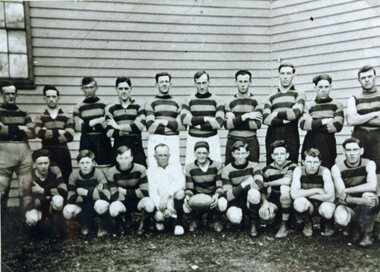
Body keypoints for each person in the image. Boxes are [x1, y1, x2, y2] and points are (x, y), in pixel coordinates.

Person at [331, 137, 379, 247]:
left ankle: (368, 234)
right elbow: (342, 196)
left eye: (355, 150)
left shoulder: (369, 164)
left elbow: (372, 185)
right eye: (348, 150)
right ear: (344, 152)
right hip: (349, 203)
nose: (352, 153)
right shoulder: (337, 168)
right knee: (341, 218)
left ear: (361, 151)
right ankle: (353, 227)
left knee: (369, 196)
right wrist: (360, 201)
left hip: (366, 201)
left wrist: (348, 190)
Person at [0, 82, 35, 221]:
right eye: (7, 93)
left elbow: (32, 133)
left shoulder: (24, 113)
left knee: (25, 190)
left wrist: (8, 129)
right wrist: (21, 129)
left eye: (13, 93)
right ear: (2, 95)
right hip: (4, 153)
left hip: (24, 153)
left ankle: (27, 225)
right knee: (1, 191)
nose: (10, 96)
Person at [106, 146, 155, 235]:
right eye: (121, 158)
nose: (124, 161)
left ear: (132, 158)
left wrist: (124, 192)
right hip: (122, 202)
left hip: (138, 202)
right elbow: (114, 195)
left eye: (127, 158)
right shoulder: (111, 172)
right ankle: (122, 226)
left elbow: (144, 192)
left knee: (150, 204)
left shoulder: (141, 169)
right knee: (113, 209)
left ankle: (144, 225)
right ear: (117, 159)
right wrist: (135, 192)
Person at [222, 141, 267, 237]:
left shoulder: (254, 165)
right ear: (233, 154)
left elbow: (259, 184)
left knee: (254, 192)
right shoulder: (227, 169)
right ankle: (240, 220)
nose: (240, 156)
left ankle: (253, 223)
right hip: (235, 201)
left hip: (249, 199)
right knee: (235, 218)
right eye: (237, 153)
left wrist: (238, 190)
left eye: (243, 153)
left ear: (247, 154)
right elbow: (228, 195)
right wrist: (244, 184)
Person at [263, 63, 306, 165]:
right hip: (272, 133)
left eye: (288, 73)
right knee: (271, 164)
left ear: (293, 75)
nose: (285, 76)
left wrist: (275, 113)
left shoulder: (299, 94)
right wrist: (285, 118)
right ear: (279, 75)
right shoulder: (271, 96)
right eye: (282, 73)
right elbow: (265, 118)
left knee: (291, 163)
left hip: (291, 132)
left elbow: (295, 113)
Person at [63, 150, 111, 237]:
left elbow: (107, 196)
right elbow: (70, 198)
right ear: (77, 164)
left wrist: (84, 192)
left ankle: (101, 224)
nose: (85, 166)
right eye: (82, 163)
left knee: (101, 205)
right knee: (67, 211)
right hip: (82, 204)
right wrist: (94, 192)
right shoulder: (73, 175)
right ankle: (83, 223)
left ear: (93, 163)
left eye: (88, 162)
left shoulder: (98, 174)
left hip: (96, 204)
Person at [300, 74, 344, 169]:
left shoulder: (337, 105)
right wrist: (325, 121)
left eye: (326, 87)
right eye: (320, 87)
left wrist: (313, 124)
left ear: (331, 87)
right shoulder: (309, 106)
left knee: (326, 170)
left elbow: (337, 126)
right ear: (315, 88)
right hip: (310, 141)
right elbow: (303, 125)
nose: (323, 90)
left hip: (328, 143)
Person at [181, 70, 225, 165]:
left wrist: (196, 124)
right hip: (193, 138)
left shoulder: (218, 100)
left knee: (215, 167)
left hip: (212, 139)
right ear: (194, 84)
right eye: (199, 83)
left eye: (204, 83)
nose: (201, 86)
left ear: (209, 83)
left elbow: (219, 123)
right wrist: (207, 119)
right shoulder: (188, 100)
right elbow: (185, 119)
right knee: (191, 167)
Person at [291, 148, 335, 237]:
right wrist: (317, 190)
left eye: (315, 162)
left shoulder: (325, 171)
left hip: (322, 204)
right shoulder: (298, 170)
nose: (312, 165)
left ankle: (327, 224)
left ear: (320, 162)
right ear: (303, 162)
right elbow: (294, 194)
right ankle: (307, 223)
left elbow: (331, 197)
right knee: (299, 203)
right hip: (308, 205)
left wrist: (304, 193)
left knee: (328, 209)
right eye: (308, 162)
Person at [183, 141, 227, 232]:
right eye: (199, 153)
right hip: (198, 196)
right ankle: (196, 218)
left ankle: (216, 219)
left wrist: (217, 195)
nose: (201, 156)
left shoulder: (217, 165)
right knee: (185, 205)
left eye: (204, 153)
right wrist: (187, 195)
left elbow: (219, 185)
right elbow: (190, 187)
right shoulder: (189, 167)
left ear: (208, 153)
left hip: (213, 195)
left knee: (222, 203)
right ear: (194, 153)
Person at [35, 85, 74, 183]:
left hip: (63, 152)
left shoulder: (66, 116)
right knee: (49, 179)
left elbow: (69, 136)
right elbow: (39, 133)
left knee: (65, 179)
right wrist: (58, 131)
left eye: (54, 96)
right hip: (46, 152)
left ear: (58, 98)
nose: (51, 99)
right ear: (44, 98)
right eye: (48, 97)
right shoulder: (40, 116)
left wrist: (48, 132)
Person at [24, 149, 67, 238]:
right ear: (34, 164)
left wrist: (43, 191)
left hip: (50, 205)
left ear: (49, 163)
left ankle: (56, 227)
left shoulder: (55, 171)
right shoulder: (28, 177)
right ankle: (36, 228)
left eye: (46, 163)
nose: (43, 166)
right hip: (35, 206)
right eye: (40, 164)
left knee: (58, 200)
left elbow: (63, 191)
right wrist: (47, 197)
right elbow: (26, 203)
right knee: (32, 219)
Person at [73, 77, 114, 167]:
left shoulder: (104, 105)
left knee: (105, 168)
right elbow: (78, 127)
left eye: (91, 87)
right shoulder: (79, 107)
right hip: (86, 141)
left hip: (102, 142)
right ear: (82, 88)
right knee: (87, 169)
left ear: (96, 87)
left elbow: (107, 124)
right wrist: (97, 121)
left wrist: (86, 124)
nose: (89, 90)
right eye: (86, 88)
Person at [105, 77, 147, 166]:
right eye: (120, 88)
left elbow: (140, 126)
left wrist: (118, 127)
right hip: (118, 145)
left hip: (136, 146)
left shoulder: (139, 106)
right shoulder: (110, 109)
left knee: (140, 172)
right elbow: (109, 132)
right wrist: (129, 130)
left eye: (126, 88)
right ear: (116, 89)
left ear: (131, 89)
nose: (123, 91)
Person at [225, 70, 262, 165]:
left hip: (251, 140)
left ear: (250, 82)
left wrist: (235, 120)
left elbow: (256, 125)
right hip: (233, 139)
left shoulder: (257, 101)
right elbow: (227, 125)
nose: (242, 85)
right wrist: (247, 116)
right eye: (240, 81)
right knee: (230, 169)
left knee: (253, 169)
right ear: (235, 82)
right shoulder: (229, 101)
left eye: (245, 81)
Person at [145, 72, 183, 167]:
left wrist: (162, 122)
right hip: (156, 139)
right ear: (156, 84)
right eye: (161, 82)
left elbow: (182, 126)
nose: (164, 84)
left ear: (171, 84)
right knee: (154, 168)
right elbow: (150, 127)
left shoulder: (177, 102)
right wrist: (173, 126)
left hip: (173, 140)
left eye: (167, 81)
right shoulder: (150, 102)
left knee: (174, 167)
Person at [262, 140, 297, 238]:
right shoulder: (267, 170)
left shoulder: (292, 165)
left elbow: (287, 181)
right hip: (275, 196)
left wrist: (268, 183)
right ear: (272, 156)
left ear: (287, 155)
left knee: (284, 188)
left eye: (282, 153)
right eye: (276, 154)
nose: (279, 156)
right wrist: (264, 202)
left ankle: (284, 224)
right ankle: (277, 219)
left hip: (289, 197)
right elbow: (262, 188)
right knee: (265, 215)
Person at [147, 144, 185, 235]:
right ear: (154, 156)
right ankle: (160, 221)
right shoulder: (150, 172)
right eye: (160, 155)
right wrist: (163, 208)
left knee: (180, 193)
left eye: (165, 155)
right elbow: (152, 192)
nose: (163, 158)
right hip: (160, 203)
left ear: (169, 155)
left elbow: (180, 182)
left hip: (172, 200)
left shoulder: (176, 167)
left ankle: (179, 224)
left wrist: (167, 194)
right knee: (160, 217)